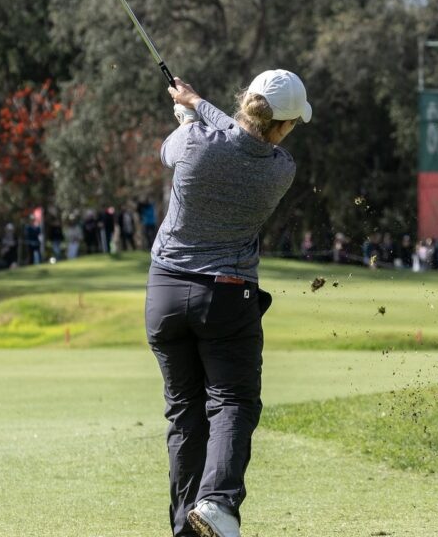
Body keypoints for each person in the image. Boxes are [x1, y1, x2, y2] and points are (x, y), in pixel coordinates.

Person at [147, 71, 310, 537]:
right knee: (233, 401)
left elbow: (170, 151)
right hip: (225, 295)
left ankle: (186, 528)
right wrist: (197, 106)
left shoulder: (194, 141)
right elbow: (242, 139)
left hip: (165, 293)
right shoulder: (281, 167)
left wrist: (189, 113)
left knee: (185, 413)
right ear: (282, 126)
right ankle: (218, 500)